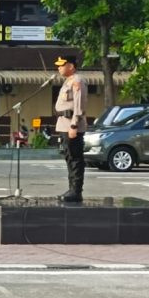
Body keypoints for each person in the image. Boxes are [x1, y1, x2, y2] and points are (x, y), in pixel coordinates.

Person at [54, 55, 87, 203]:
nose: (59, 67)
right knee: (69, 157)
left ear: (71, 66)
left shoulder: (77, 81)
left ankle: (76, 191)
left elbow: (79, 105)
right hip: (64, 123)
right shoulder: (67, 81)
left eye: (62, 65)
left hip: (72, 125)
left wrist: (74, 125)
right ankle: (71, 189)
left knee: (75, 159)